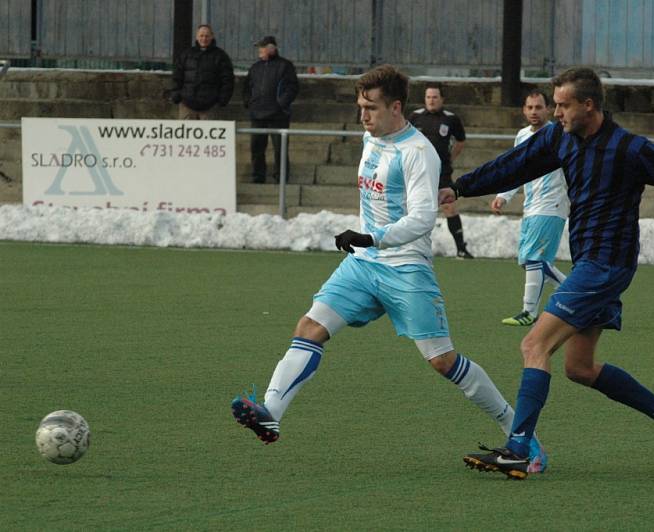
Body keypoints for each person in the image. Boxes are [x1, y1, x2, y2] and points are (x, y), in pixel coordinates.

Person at [230, 65, 548, 473]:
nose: (363, 116)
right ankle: (271, 412)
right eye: (360, 106)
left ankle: (520, 434)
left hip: (406, 267)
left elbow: (421, 217)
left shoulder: (419, 153)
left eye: (371, 108)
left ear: (396, 107)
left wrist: (371, 237)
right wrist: (367, 244)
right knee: (309, 327)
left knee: (443, 360)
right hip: (363, 264)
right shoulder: (371, 137)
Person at [440, 67, 654, 479]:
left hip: (606, 266)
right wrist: (462, 187)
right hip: (590, 264)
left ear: (588, 105)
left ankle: (519, 448)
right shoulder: (561, 138)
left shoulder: (630, 149)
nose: (554, 112)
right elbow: (515, 164)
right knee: (579, 367)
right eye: (554, 104)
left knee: (533, 345)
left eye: (562, 105)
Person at [491, 90, 569, 326]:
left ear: (548, 109)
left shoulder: (559, 135)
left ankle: (529, 312)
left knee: (535, 259)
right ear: (524, 110)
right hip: (531, 205)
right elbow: (517, 169)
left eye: (539, 107)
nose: (534, 112)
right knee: (533, 262)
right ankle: (584, 299)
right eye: (530, 107)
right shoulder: (522, 135)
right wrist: (504, 195)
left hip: (551, 205)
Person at [408, 83, 473, 259]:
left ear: (442, 99)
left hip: (442, 171)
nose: (431, 100)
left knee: (449, 206)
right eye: (428, 97)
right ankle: (411, 249)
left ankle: (461, 248)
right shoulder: (415, 117)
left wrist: (449, 159)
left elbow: (460, 141)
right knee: (415, 208)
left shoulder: (451, 119)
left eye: (435, 97)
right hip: (418, 171)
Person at [243, 36, 299, 183]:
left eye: (263, 47)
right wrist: (249, 102)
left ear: (272, 48)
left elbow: (292, 87)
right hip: (257, 114)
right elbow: (247, 86)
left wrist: (281, 103)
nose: (260, 51)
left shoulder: (285, 66)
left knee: (280, 149)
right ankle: (258, 176)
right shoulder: (256, 67)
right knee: (257, 148)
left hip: (278, 115)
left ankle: (281, 178)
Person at [170, 24, 234, 120]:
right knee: (186, 134)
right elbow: (177, 76)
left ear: (212, 36)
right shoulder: (186, 54)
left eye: (207, 36)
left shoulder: (221, 56)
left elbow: (228, 80)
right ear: (197, 37)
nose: (204, 38)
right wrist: (176, 95)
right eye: (201, 35)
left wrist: (222, 99)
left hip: (210, 107)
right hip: (187, 105)